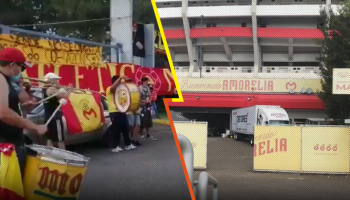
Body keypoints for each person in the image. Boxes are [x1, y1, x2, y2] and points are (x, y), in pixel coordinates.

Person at [0, 47, 47, 176]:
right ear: (12, 65)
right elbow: (3, 112)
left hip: (10, 141)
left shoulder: (8, 80)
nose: (21, 71)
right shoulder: (0, 78)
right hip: (4, 144)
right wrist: (34, 126)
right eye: (21, 67)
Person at [106, 75, 137, 152]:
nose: (121, 83)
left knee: (126, 128)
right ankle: (115, 146)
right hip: (114, 112)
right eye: (119, 81)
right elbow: (113, 88)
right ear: (115, 82)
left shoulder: (120, 91)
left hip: (122, 111)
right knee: (116, 130)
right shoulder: (109, 88)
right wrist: (120, 78)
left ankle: (128, 144)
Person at [42, 72, 71, 150]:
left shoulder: (45, 88)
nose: (58, 82)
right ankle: (64, 155)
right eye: (56, 80)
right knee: (60, 139)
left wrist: (63, 88)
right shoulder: (50, 89)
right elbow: (65, 96)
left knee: (49, 138)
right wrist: (69, 90)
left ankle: (48, 155)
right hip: (55, 117)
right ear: (50, 80)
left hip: (48, 116)